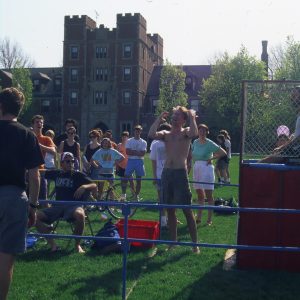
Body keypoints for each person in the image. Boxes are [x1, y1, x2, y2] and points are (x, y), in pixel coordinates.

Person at [0, 87, 44, 300]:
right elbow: (35, 176)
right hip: (14, 197)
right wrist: (34, 206)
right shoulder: (27, 134)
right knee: (6, 258)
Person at [148, 106, 200, 253]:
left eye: (178, 115)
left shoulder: (185, 133)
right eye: (173, 115)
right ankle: (173, 242)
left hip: (180, 173)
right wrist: (159, 119)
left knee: (187, 210)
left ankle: (195, 244)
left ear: (183, 119)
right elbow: (151, 134)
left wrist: (192, 116)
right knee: (170, 209)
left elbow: (194, 132)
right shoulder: (166, 134)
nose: (174, 117)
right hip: (166, 173)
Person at [35, 152, 97, 253]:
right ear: (61, 163)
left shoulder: (78, 174)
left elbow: (94, 185)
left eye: (72, 161)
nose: (71, 163)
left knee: (80, 214)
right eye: (67, 161)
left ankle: (77, 245)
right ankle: (53, 245)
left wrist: (84, 186)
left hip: (74, 205)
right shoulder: (57, 173)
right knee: (34, 216)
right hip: (57, 206)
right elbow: (40, 171)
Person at [192, 124, 226, 225]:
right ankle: (198, 217)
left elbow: (223, 153)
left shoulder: (210, 143)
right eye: (200, 130)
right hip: (197, 167)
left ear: (207, 132)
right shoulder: (195, 142)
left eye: (204, 131)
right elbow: (193, 154)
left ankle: (209, 219)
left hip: (206, 169)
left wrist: (211, 158)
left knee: (209, 195)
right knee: (199, 194)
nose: (202, 133)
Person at [149, 123, 172, 228]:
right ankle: (163, 221)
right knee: (161, 199)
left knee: (171, 199)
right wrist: (154, 176)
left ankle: (171, 219)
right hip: (159, 175)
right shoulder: (155, 144)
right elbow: (153, 161)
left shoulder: (173, 142)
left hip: (172, 174)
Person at [31, 115, 57, 206]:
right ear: (33, 124)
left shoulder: (46, 139)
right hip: (27, 169)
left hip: (40, 169)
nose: (39, 124)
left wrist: (39, 145)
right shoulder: (28, 136)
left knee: (43, 198)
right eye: (37, 122)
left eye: (41, 122)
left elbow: (53, 151)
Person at [124, 125, 147, 200]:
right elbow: (127, 152)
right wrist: (138, 152)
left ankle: (136, 196)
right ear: (134, 131)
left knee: (139, 180)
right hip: (130, 161)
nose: (137, 132)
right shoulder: (129, 141)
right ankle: (124, 195)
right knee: (126, 178)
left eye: (139, 130)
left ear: (141, 131)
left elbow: (143, 153)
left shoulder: (144, 142)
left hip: (139, 161)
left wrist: (133, 151)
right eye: (136, 130)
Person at [116, 131, 135, 199]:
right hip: (121, 166)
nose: (124, 138)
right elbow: (116, 156)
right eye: (123, 136)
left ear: (128, 137)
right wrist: (117, 166)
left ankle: (134, 194)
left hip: (129, 166)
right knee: (123, 182)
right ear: (121, 137)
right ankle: (123, 195)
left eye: (126, 136)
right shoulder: (119, 145)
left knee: (131, 181)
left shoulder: (130, 145)